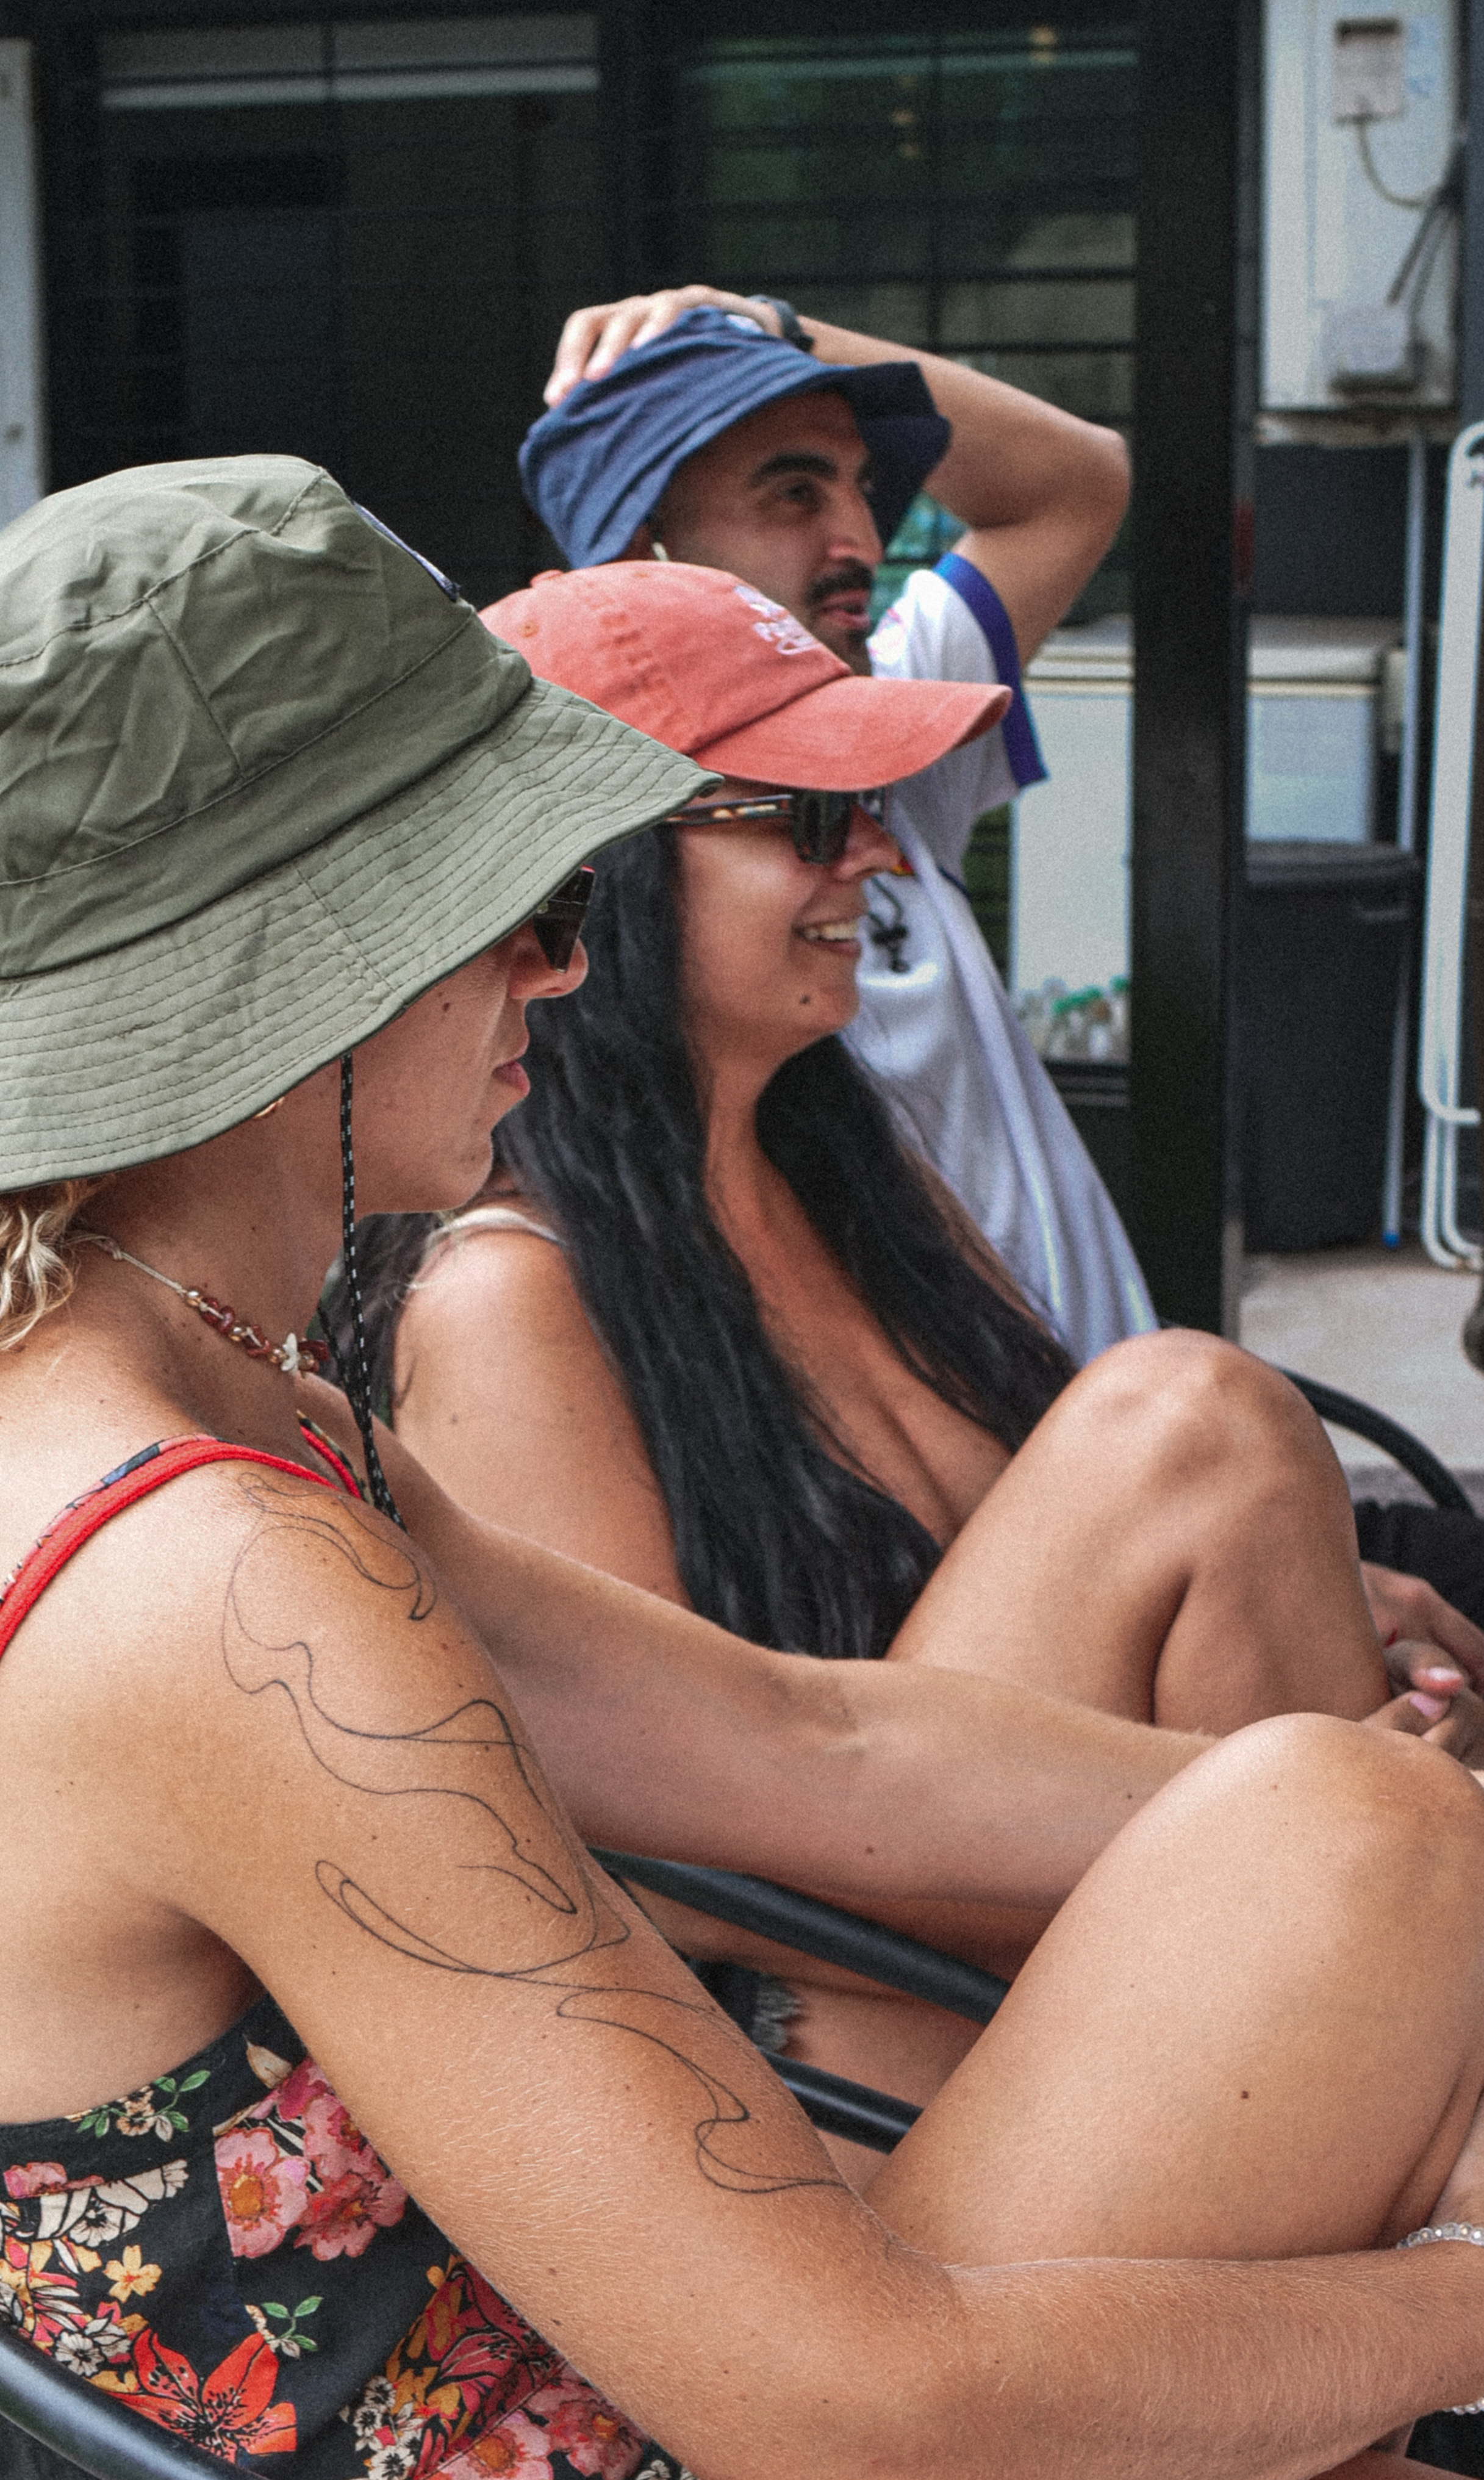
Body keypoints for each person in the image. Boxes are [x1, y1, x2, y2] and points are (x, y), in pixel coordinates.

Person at [11, 456, 1484, 2480]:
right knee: (1346, 1848)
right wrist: (1451, 2297)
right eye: (515, 901)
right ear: (297, 980)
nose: (561, 966)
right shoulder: (224, 1573)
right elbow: (850, 2406)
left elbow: (813, 1743)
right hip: (729, 2413)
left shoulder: (197, 1418)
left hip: (677, 2369)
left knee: (1352, 1822)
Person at [340, 558, 1484, 2177]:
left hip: (1057, 1929)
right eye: (809, 816)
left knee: (1215, 1438)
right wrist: (1289, 1803)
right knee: (1192, 1414)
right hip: (853, 2069)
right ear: (594, 873)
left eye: (869, 805)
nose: (876, 854)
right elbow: (649, 1853)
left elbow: (1055, 1574)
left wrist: (1306, 1608)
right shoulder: (507, 1296)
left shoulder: (846, 1165)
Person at [519, 284, 1152, 1362]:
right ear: (641, 545)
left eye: (861, 488)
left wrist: (778, 328)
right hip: (924, 1452)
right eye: (794, 493)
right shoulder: (574, 880)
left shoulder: (890, 704)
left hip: (1100, 1411)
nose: (861, 536)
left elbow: (1077, 480)